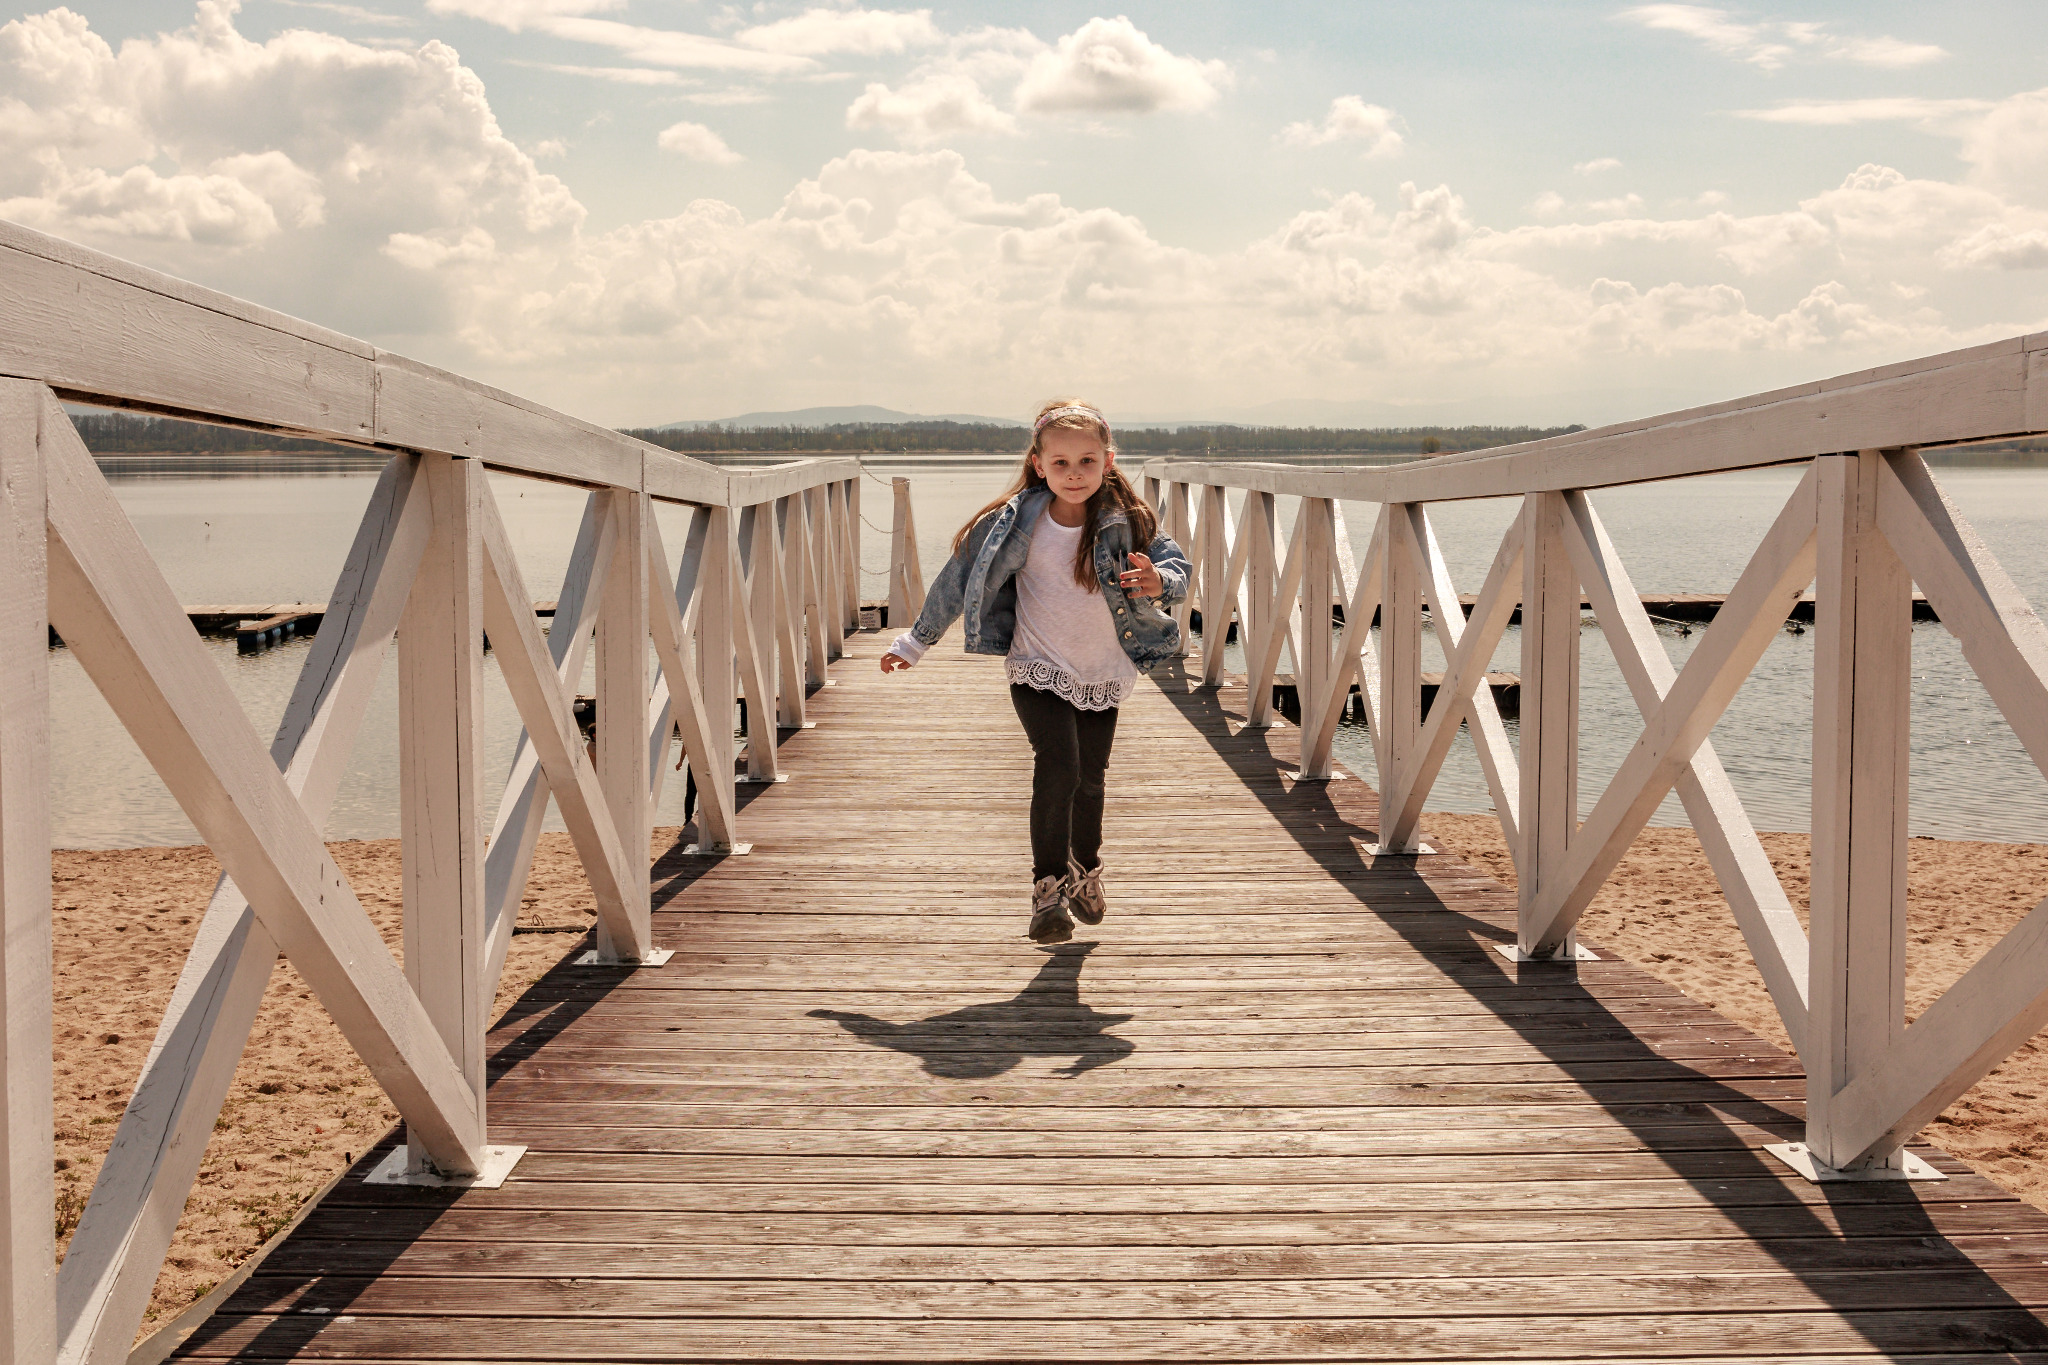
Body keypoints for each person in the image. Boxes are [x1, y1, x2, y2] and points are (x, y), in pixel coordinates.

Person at [881, 399, 1189, 944]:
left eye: (1088, 462)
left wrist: (1160, 582)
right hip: (1037, 665)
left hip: (1104, 668)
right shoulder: (1014, 522)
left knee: (1092, 779)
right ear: (1039, 463)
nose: (1075, 475)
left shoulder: (1130, 520)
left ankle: (1085, 870)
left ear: (1109, 462)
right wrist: (916, 642)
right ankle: (1047, 891)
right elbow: (958, 578)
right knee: (1060, 766)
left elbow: (1176, 565)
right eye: (1062, 463)